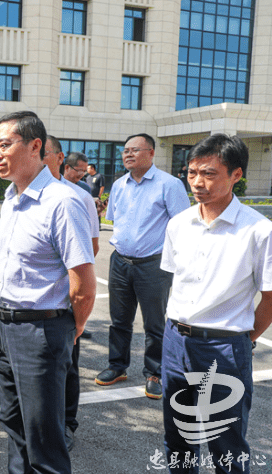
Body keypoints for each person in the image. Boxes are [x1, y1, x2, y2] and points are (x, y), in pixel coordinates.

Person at [0, 111, 96, 474]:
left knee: (44, 439)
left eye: (5, 145)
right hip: (5, 327)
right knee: (14, 426)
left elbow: (82, 282)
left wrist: (72, 329)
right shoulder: (12, 198)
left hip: (41, 332)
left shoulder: (61, 201)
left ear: (35, 145)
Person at [160, 134, 272, 474]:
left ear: (236, 175)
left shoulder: (258, 231)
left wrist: (244, 339)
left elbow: (270, 296)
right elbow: (172, 280)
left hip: (223, 348)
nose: (197, 182)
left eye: (209, 173)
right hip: (175, 341)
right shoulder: (179, 224)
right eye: (192, 172)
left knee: (226, 442)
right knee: (179, 439)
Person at [95, 133, 189, 400]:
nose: (128, 154)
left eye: (135, 150)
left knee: (155, 324)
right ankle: (117, 366)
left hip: (154, 264)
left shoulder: (168, 185)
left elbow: (182, 227)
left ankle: (155, 372)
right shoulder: (119, 185)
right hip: (120, 261)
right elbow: (114, 220)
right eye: (125, 150)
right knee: (120, 320)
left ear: (151, 153)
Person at [45, 137, 99, 452]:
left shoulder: (79, 197)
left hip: (66, 296)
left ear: (58, 157)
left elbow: (90, 248)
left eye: (44, 154)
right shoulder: (22, 194)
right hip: (31, 308)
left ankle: (67, 423)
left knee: (68, 366)